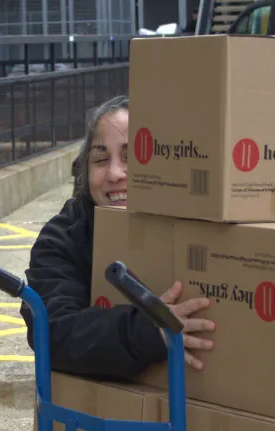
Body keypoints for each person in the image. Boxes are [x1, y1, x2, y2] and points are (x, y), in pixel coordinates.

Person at [19, 96, 216, 381]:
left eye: (132, 157)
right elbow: (53, 331)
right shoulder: (63, 237)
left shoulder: (200, 229)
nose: (114, 174)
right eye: (101, 159)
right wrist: (148, 332)